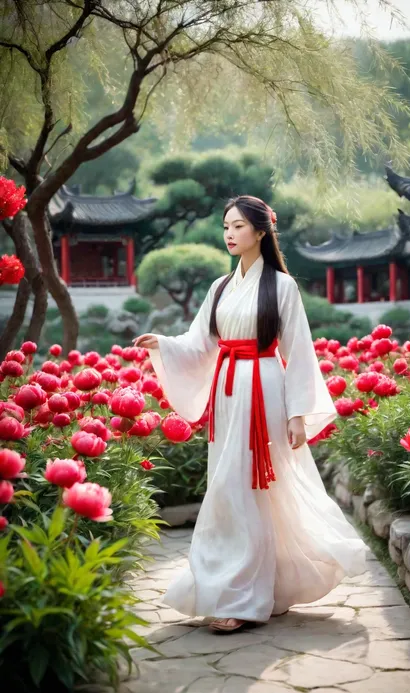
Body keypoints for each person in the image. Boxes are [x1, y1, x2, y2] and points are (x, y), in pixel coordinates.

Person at [134, 195, 367, 634]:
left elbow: (297, 351)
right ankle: (259, 588)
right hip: (228, 394)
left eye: (238, 226)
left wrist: (298, 413)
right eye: (226, 226)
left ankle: (243, 598)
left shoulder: (282, 287)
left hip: (265, 390)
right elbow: (200, 341)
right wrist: (164, 345)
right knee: (230, 488)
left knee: (253, 491)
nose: (229, 234)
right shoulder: (219, 289)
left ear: (261, 231)